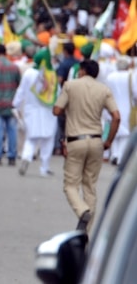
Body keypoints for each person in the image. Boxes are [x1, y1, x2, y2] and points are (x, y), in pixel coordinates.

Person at [53, 59, 120, 233]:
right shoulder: (104, 89)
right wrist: (109, 141)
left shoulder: (70, 86)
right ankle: (86, 236)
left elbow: (57, 110)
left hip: (76, 140)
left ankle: (83, 211)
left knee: (70, 185)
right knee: (90, 186)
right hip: (97, 141)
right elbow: (116, 116)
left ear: (81, 71)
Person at [12, 49, 57, 177]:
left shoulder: (29, 73)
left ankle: (26, 157)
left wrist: (15, 104)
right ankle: (44, 168)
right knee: (47, 140)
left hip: (31, 110)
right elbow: (56, 93)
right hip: (48, 111)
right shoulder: (51, 74)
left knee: (31, 138)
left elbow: (21, 90)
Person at [105, 56, 133, 165]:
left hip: (112, 106)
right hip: (127, 107)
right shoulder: (130, 76)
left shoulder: (110, 77)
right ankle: (120, 156)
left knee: (114, 132)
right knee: (125, 133)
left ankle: (114, 154)